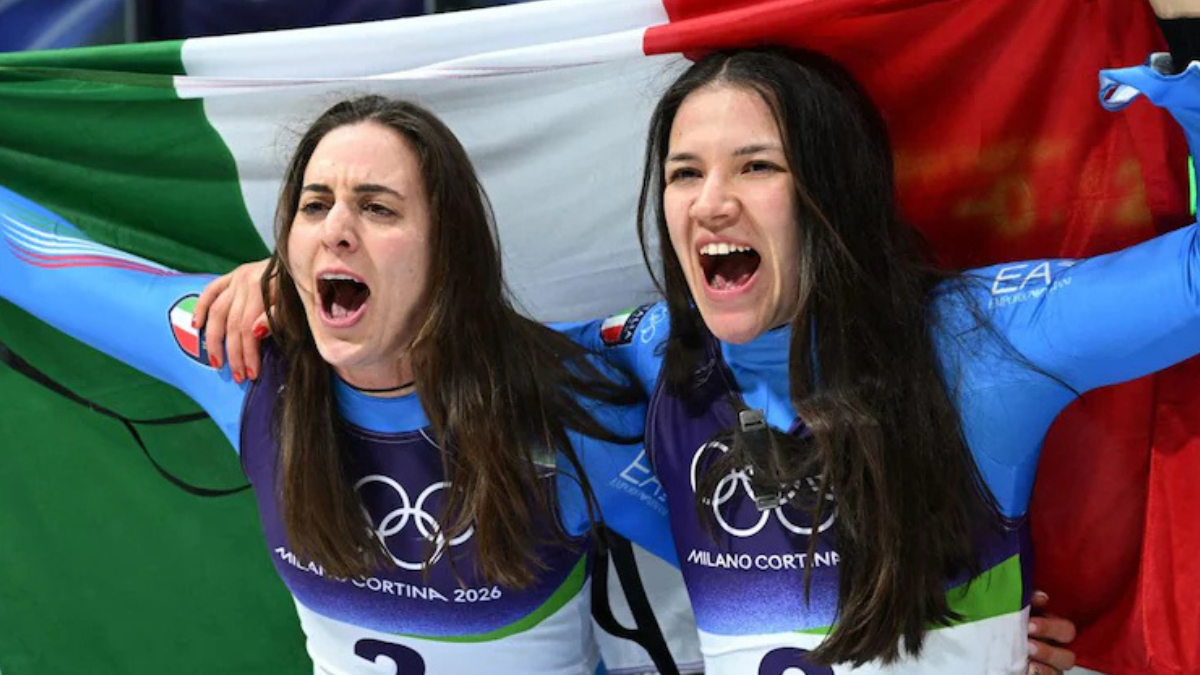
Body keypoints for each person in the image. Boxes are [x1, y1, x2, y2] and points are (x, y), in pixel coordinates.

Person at [0, 96, 682, 674]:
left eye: (378, 208)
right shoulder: (241, 357)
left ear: (449, 251)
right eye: (315, 205)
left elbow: (764, 583)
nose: (337, 231)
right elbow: (38, 261)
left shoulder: (560, 404)